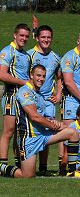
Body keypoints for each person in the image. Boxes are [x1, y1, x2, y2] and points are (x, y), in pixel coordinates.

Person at [0, 65, 80, 178]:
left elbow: (41, 117)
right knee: (27, 175)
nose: (41, 79)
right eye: (38, 75)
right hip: (28, 139)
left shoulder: (39, 95)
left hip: (43, 135)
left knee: (73, 131)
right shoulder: (25, 92)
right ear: (31, 75)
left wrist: (56, 123)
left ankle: (72, 171)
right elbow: (34, 117)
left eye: (43, 76)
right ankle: (2, 167)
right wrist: (53, 126)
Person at [27, 25, 62, 175]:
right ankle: (23, 163)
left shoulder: (55, 57)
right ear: (37, 38)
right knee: (29, 132)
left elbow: (59, 78)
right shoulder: (29, 55)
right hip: (32, 100)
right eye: (43, 37)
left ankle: (43, 168)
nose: (46, 40)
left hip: (48, 102)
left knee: (47, 133)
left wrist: (58, 93)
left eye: (48, 37)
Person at [0, 23, 31, 168]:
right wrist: (23, 82)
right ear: (15, 35)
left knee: (20, 131)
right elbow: (1, 74)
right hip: (11, 95)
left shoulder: (26, 55)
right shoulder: (8, 51)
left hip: (23, 97)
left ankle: (18, 164)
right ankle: (2, 164)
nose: (24, 38)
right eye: (21, 35)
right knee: (9, 130)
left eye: (26, 36)